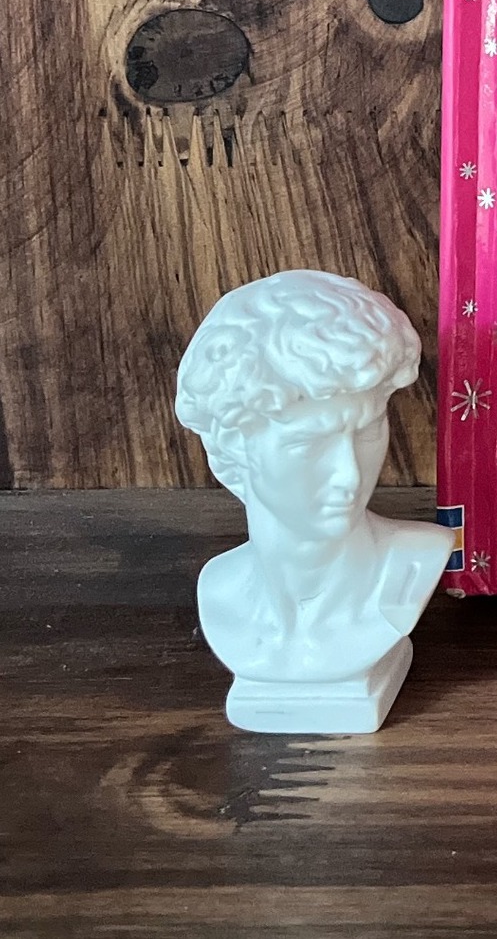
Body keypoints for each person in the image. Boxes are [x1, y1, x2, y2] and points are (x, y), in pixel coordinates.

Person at [175, 271, 452, 727]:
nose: (350, 474)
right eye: (309, 445)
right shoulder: (222, 594)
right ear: (233, 447)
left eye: (367, 432)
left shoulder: (414, 565)